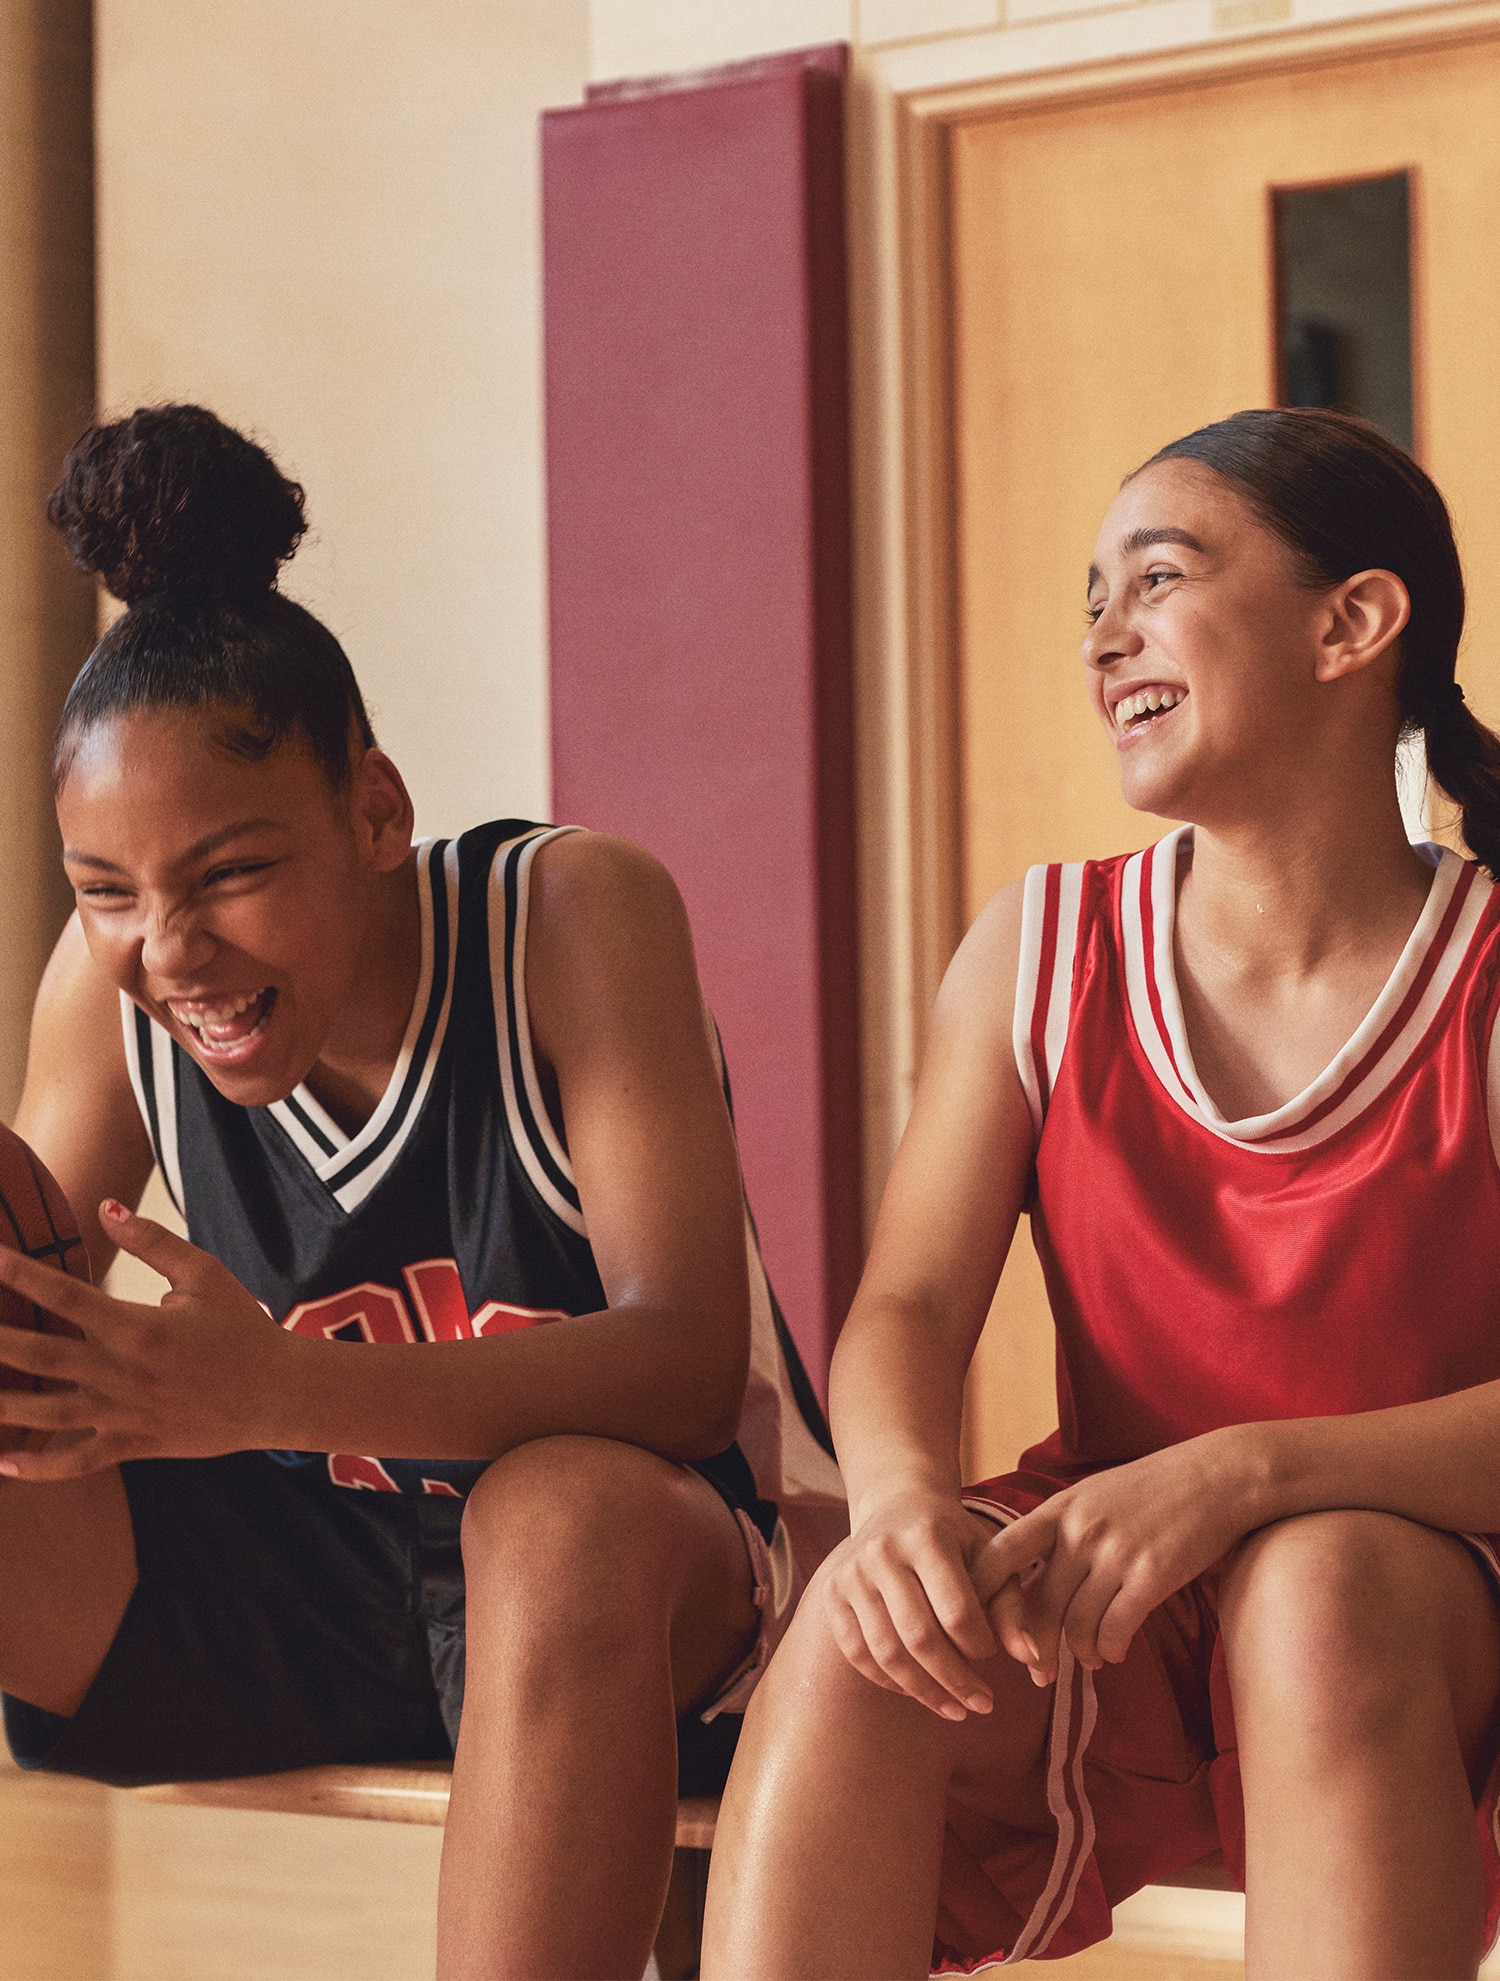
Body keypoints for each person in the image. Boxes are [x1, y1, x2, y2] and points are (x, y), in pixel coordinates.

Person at [0, 403, 845, 1981]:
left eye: (229, 872)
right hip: (337, 1575)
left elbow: (679, 1363)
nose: (168, 947)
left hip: (675, 1571)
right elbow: (38, 1318)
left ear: (375, 815)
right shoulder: (109, 994)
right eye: (106, 891)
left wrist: (273, 1386)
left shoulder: (570, 915)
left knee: (553, 1509)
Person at [700, 408, 1500, 1981]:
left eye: (1156, 579)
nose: (1103, 638)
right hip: (1126, 1567)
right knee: (865, 1631)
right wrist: (900, 1501)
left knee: (1320, 1584)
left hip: (1432, 1580)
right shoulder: (1044, 942)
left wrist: (1249, 1472)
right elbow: (910, 1307)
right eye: (1089, 601)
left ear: (1354, 621)